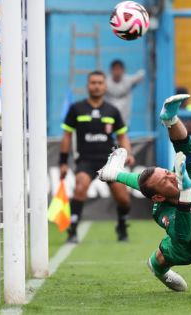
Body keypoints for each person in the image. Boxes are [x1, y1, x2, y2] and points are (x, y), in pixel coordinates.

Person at [97, 94, 191, 292]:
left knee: (160, 173)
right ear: (159, 198)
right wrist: (185, 193)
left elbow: (184, 144)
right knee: (159, 259)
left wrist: (171, 120)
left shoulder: (186, 173)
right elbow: (183, 235)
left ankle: (115, 173)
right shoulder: (162, 212)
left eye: (168, 172)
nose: (171, 176)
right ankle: (158, 269)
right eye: (165, 180)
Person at [59, 70, 135, 243]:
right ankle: (73, 230)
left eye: (100, 83)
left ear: (105, 86)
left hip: (109, 161)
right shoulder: (76, 109)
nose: (96, 86)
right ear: (87, 86)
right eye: (93, 82)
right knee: (80, 187)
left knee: (123, 198)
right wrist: (63, 162)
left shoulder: (112, 111)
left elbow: (122, 135)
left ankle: (122, 226)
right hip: (85, 160)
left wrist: (128, 154)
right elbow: (66, 136)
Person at [105, 59, 145, 125]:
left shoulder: (128, 80)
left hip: (124, 120)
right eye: (115, 69)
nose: (117, 72)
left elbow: (141, 74)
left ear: (123, 70)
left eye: (119, 69)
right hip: (108, 120)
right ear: (111, 70)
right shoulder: (105, 83)